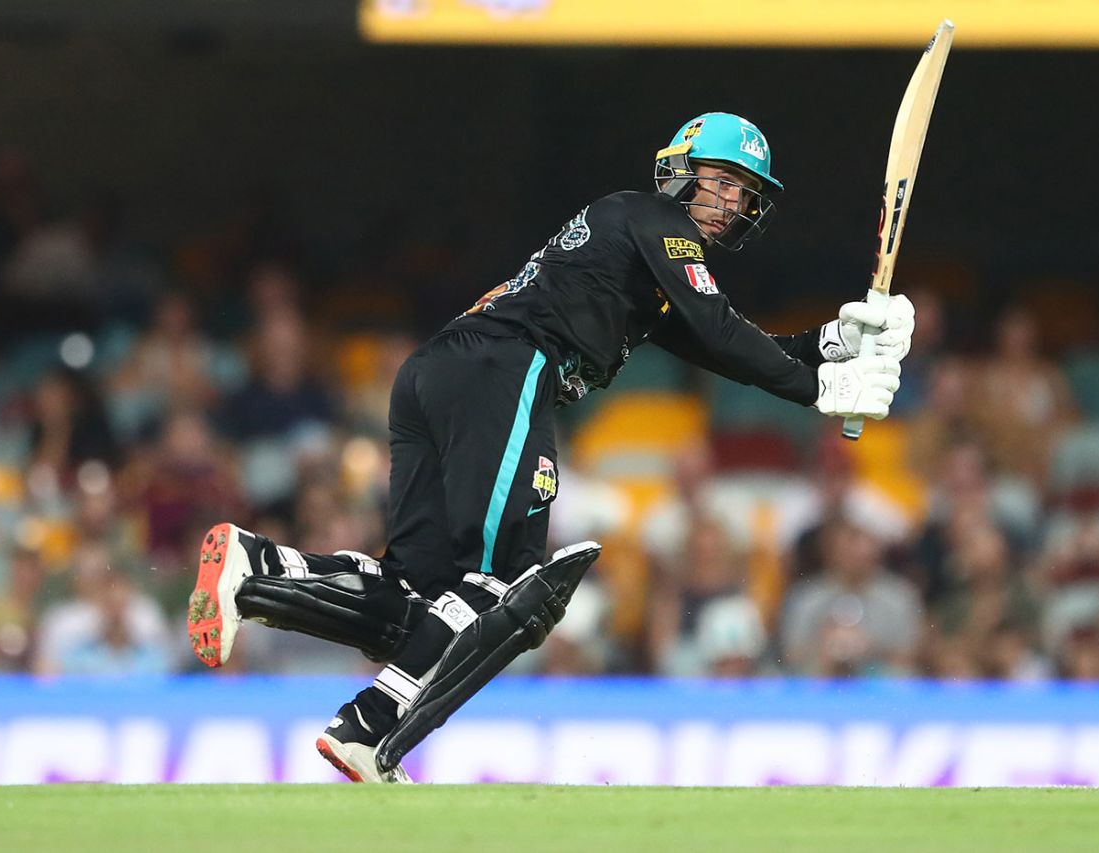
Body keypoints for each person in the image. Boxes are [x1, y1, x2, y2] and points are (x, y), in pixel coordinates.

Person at [185, 112, 916, 782]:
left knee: (417, 596)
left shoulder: (640, 264)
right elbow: (723, 327)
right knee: (503, 580)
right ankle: (368, 726)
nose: (729, 202)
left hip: (439, 373)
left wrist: (833, 345)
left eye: (743, 193)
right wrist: (822, 390)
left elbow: (721, 346)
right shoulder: (652, 217)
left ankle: (258, 568)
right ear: (681, 168)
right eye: (721, 181)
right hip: (505, 368)